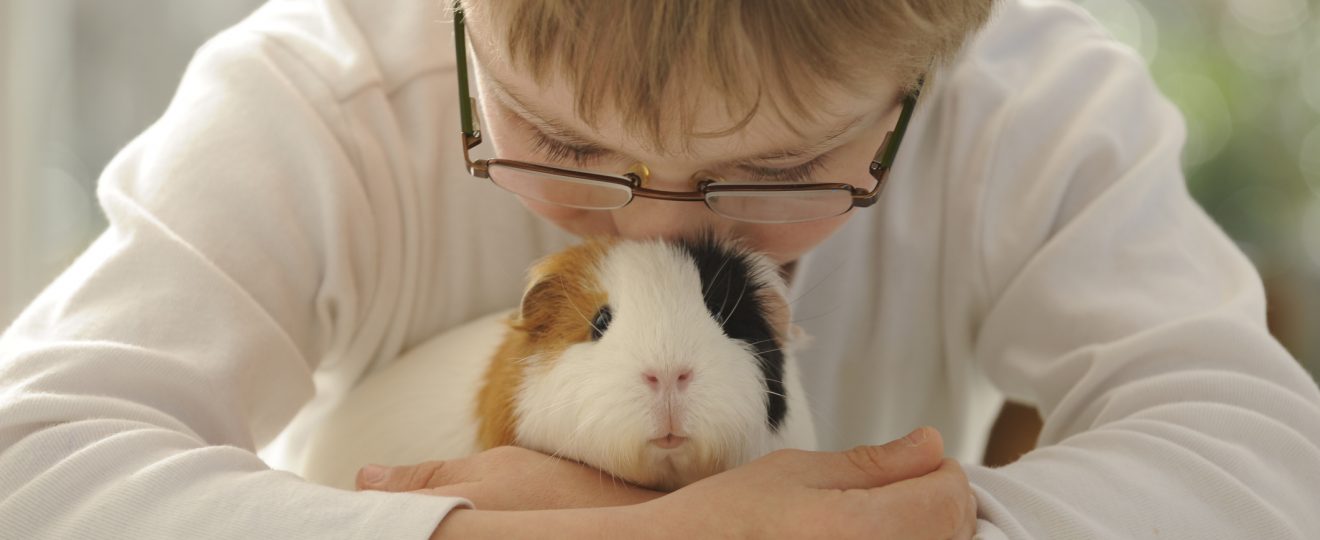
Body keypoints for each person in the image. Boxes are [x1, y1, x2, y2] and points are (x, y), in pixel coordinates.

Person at [2, 0, 1318, 538]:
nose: (652, 240)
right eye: (561, 142)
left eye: (781, 169)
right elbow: (39, 453)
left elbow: (1265, 453)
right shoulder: (317, 90)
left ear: (918, 86)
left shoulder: (1042, 110)